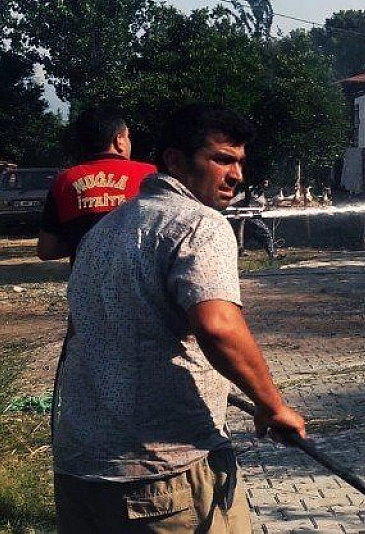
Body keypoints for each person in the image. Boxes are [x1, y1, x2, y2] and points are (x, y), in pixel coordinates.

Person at [52, 104, 306, 533]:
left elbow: (88, 331)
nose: (236, 175)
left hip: (79, 471)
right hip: (161, 479)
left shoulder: (103, 231)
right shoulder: (199, 225)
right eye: (222, 159)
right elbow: (218, 326)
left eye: (240, 162)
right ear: (174, 160)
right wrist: (273, 406)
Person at [37, 108, 157, 261]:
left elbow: (46, 250)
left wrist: (85, 242)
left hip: (86, 275)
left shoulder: (64, 182)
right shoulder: (150, 175)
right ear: (119, 140)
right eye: (128, 136)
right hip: (143, 274)